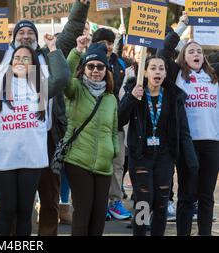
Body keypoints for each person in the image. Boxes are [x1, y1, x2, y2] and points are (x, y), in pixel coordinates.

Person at [0, 0, 90, 236]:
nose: (25, 36)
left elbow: (71, 32)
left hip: (45, 137)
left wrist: (81, 4)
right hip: (7, 138)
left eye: (30, 32)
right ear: (14, 39)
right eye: (21, 32)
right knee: (11, 205)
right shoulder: (1, 55)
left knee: (48, 199)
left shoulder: (49, 55)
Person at [0, 34, 69, 236]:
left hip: (31, 161)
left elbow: (62, 77)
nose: (20, 61)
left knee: (24, 213)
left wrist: (53, 49)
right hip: (3, 161)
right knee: (7, 211)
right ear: (10, 62)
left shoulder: (40, 87)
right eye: (16, 58)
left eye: (26, 58)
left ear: (33, 64)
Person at [119, 55, 198, 236]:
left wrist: (191, 160)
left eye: (161, 68)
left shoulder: (173, 96)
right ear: (145, 72)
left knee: (161, 203)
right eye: (153, 68)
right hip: (140, 156)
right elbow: (119, 121)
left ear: (165, 73)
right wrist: (131, 98)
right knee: (143, 203)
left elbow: (183, 131)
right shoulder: (135, 92)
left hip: (164, 157)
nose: (157, 72)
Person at [159, 33, 219, 236]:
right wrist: (181, 27)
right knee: (187, 194)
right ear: (183, 57)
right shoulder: (176, 74)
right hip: (187, 143)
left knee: (206, 196)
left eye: (200, 52)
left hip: (212, 141)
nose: (196, 54)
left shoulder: (214, 75)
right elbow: (162, 53)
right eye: (191, 51)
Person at [63, 40, 118, 236]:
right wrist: (77, 51)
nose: (95, 70)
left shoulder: (111, 98)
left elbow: (112, 129)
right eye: (91, 66)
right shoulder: (75, 89)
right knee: (83, 212)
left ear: (106, 69)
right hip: (78, 159)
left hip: (104, 164)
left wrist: (114, 149)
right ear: (84, 68)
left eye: (100, 66)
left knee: (99, 214)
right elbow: (64, 77)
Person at [91, 27, 132, 221]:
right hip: (94, 124)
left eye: (109, 42)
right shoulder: (91, 62)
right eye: (102, 42)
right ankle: (98, 203)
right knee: (96, 164)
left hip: (116, 123)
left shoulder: (120, 63)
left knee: (117, 163)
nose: (106, 46)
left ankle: (114, 201)